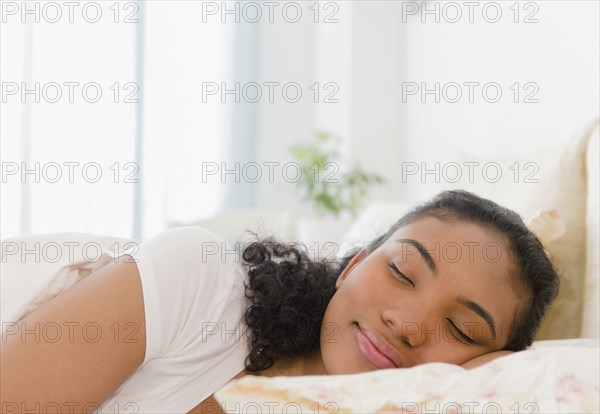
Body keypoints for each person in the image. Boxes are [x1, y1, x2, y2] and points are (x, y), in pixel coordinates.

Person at [0, 190, 560, 413]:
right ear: (355, 264)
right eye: (401, 271)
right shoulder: (202, 283)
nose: (408, 323)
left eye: (461, 330)